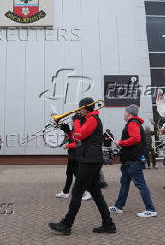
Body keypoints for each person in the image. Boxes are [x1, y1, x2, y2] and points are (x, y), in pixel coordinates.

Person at [49, 97, 116, 235]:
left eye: (80, 109)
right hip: (90, 159)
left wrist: (76, 120)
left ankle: (67, 224)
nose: (78, 111)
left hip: (90, 161)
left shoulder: (92, 119)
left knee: (77, 192)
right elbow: (78, 137)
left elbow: (80, 134)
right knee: (96, 193)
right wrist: (68, 130)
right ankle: (108, 224)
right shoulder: (89, 119)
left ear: (85, 108)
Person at [109, 104, 157, 217]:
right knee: (124, 184)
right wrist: (121, 143)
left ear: (129, 113)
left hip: (133, 161)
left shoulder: (133, 123)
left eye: (125, 112)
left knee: (141, 185)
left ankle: (150, 209)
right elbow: (133, 139)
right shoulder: (134, 123)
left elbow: (136, 139)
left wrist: (120, 143)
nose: (124, 114)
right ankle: (118, 206)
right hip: (129, 160)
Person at [56, 123, 93, 201]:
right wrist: (68, 131)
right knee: (69, 173)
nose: (72, 122)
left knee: (78, 175)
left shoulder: (80, 128)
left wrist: (67, 146)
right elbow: (72, 138)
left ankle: (89, 191)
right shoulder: (75, 128)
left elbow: (78, 142)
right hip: (72, 155)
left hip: (76, 155)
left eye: (73, 121)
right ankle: (65, 192)